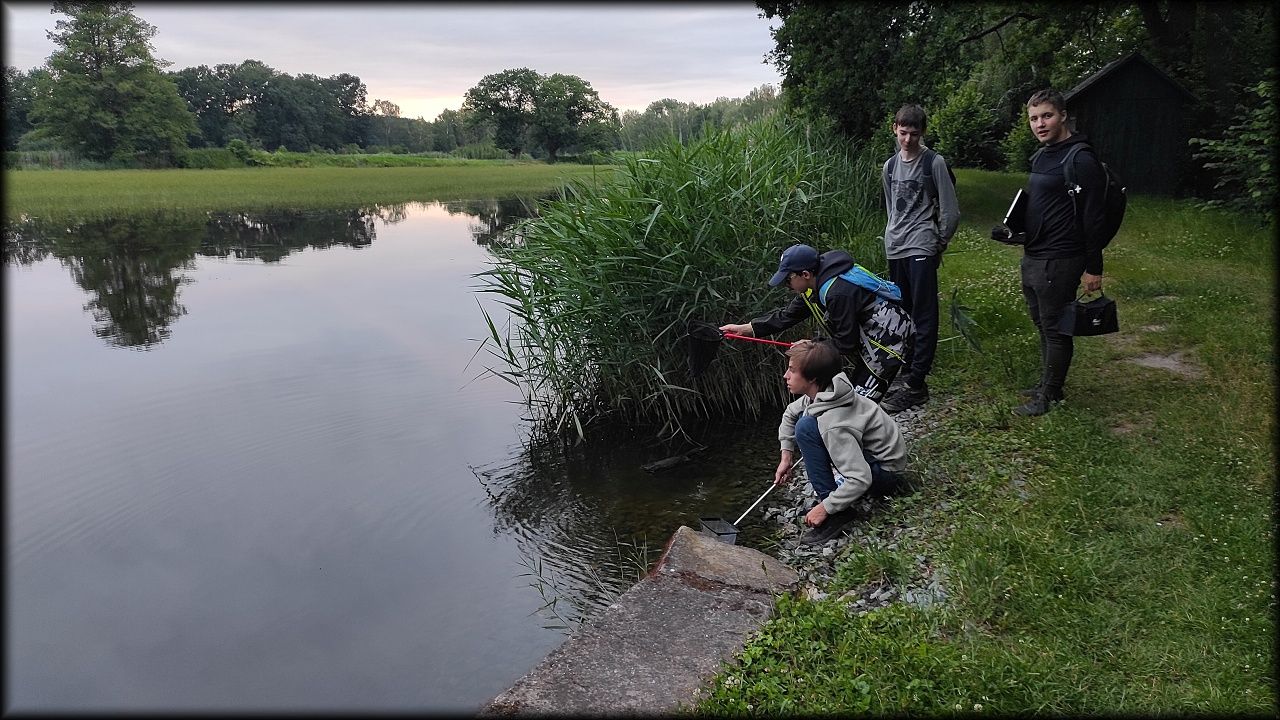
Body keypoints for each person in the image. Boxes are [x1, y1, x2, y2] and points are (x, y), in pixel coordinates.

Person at [992, 89, 1108, 416]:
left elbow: (1093, 218)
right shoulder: (1043, 155)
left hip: (1062, 257)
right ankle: (1047, 383)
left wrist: (1094, 267)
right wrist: (1014, 231)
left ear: (1063, 115)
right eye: (1033, 118)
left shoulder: (1081, 159)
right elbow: (1041, 206)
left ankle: (1050, 395)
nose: (1040, 124)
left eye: (1047, 116)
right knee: (1043, 323)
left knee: (1055, 327)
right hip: (1035, 254)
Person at [719, 243, 913, 403]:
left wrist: (811, 347)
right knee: (851, 402)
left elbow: (846, 343)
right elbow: (787, 316)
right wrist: (747, 329)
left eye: (788, 280)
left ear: (805, 274)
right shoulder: (815, 283)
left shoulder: (838, 292)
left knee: (859, 406)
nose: (787, 286)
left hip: (887, 342)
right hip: (871, 340)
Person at [774, 339, 910, 545]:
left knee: (805, 428)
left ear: (812, 378)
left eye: (792, 370)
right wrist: (786, 456)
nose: (786, 375)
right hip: (876, 461)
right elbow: (790, 413)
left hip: (886, 474)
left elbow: (861, 478)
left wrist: (825, 507)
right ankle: (837, 499)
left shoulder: (833, 423)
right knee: (804, 421)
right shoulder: (829, 391)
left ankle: (838, 515)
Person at [878, 104, 959, 415]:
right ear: (894, 129)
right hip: (896, 247)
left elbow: (950, 210)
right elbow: (891, 209)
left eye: (914, 134)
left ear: (922, 132)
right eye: (903, 133)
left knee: (924, 315)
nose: (908, 139)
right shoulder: (889, 167)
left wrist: (938, 242)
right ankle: (907, 370)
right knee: (903, 313)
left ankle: (916, 384)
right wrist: (891, 236)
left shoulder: (934, 162)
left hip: (922, 245)